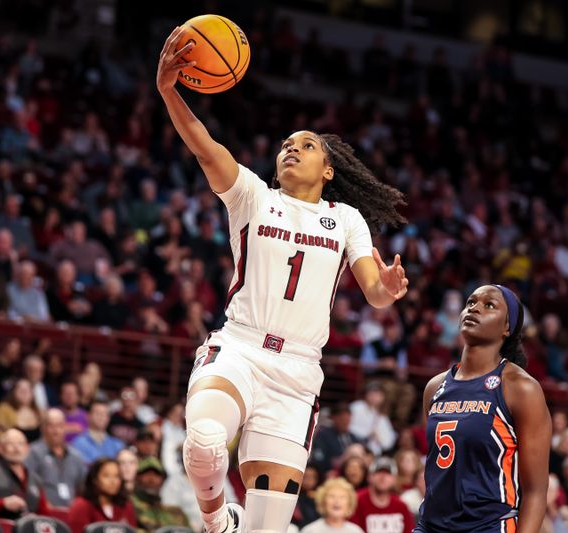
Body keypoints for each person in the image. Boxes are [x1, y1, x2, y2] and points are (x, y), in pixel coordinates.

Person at [157, 26, 408, 533]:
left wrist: (389, 289)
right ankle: (214, 520)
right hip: (240, 348)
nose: (291, 149)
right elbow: (206, 148)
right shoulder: (253, 195)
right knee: (205, 442)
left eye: (307, 145)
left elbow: (375, 294)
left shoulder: (347, 221)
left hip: (296, 373)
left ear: (329, 169)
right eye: (286, 145)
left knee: (267, 528)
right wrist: (169, 91)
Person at [417, 285, 551, 533]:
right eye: (470, 302)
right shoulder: (435, 387)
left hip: (488, 525)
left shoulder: (521, 388)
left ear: (507, 328)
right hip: (431, 524)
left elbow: (536, 491)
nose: (474, 308)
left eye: (489, 305)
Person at [0, 429, 54, 519]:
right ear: (0, 448)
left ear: (27, 449)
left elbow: (45, 516)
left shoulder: (36, 480)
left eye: (20, 444)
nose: (16, 448)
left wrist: (36, 519)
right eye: (11, 444)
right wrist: (2, 503)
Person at [25, 408, 88, 508]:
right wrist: (43, 505)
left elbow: (84, 488)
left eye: (60, 426)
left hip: (71, 513)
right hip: (43, 512)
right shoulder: (33, 453)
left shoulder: (76, 456)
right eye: (51, 426)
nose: (56, 430)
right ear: (43, 427)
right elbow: (28, 485)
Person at [67, 458, 138, 533]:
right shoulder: (81, 506)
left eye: (117, 476)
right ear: (94, 479)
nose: (113, 481)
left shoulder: (126, 505)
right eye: (106, 476)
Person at [350, 456, 414, 533]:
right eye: (379, 472)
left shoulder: (401, 506)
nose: (383, 477)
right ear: (370, 477)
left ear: (394, 479)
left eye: (388, 473)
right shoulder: (357, 500)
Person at [131, 456, 191, 531]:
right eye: (147, 474)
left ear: (163, 480)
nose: (151, 479)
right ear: (137, 478)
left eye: (156, 475)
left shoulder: (176, 512)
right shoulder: (129, 506)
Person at [310, 403, 361, 475]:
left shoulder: (353, 437)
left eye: (348, 420)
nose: (345, 423)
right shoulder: (323, 435)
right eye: (342, 420)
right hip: (329, 474)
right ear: (334, 418)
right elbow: (319, 460)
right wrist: (342, 459)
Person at [0, 378, 41, 445]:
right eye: (21, 389)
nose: (25, 392)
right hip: (11, 452)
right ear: (13, 391)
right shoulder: (2, 409)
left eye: (28, 389)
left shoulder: (39, 411)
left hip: (36, 453)